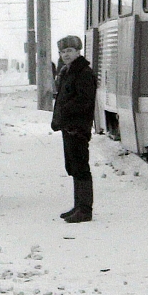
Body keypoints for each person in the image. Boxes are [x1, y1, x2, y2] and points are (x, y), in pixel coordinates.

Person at [51, 35, 97, 223]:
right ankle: (78, 206)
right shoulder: (68, 71)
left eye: (69, 50)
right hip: (69, 126)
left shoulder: (83, 72)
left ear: (78, 51)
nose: (65, 55)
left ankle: (85, 210)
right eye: (62, 51)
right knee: (73, 167)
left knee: (80, 167)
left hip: (77, 127)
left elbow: (84, 101)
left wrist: (65, 110)